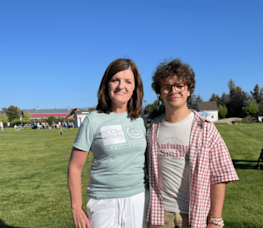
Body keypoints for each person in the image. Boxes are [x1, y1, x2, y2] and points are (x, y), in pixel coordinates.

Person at [146, 59, 239, 228]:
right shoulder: (152, 130)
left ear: (189, 90)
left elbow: (219, 176)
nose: (173, 91)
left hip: (195, 215)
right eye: (167, 87)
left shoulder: (205, 128)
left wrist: (216, 220)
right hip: (159, 215)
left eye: (179, 86)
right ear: (159, 92)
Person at [67, 58, 147, 228]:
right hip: (103, 202)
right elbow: (75, 167)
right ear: (106, 84)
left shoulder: (141, 121)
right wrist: (76, 207)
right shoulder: (93, 120)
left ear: (135, 88)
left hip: (138, 200)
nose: (121, 86)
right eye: (115, 80)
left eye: (127, 81)